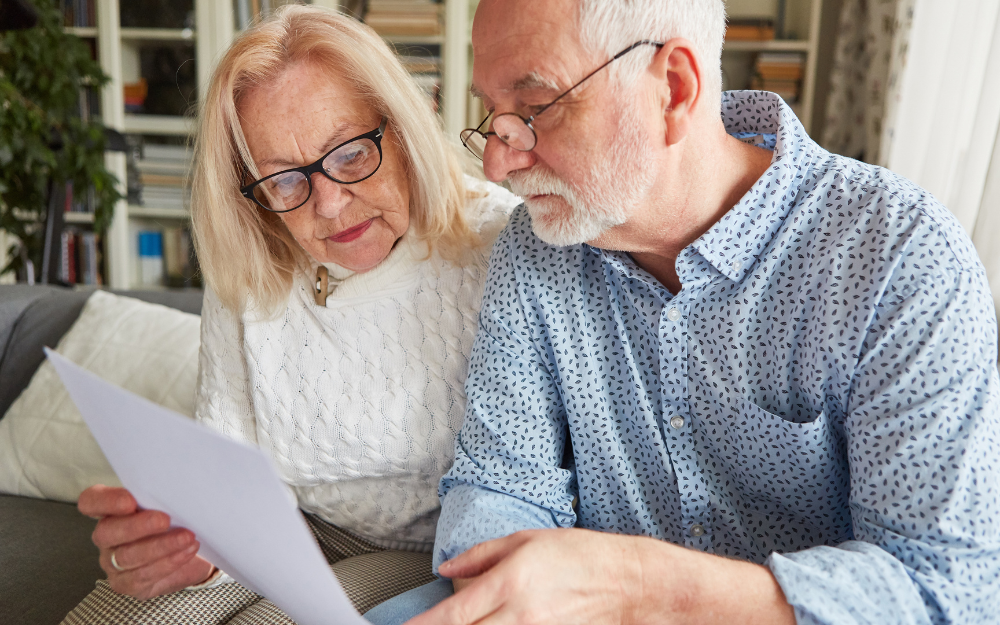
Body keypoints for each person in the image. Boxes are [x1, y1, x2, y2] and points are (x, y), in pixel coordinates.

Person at [364, 1, 1000, 624]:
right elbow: (500, 484)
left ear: (672, 89)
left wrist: (641, 587)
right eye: (495, 116)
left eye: (534, 109)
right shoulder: (536, 249)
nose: (500, 163)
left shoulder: (899, 257)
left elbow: (947, 591)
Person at [63, 5, 521, 624]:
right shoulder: (253, 261)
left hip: (429, 551)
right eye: (282, 181)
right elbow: (228, 467)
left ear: (406, 126)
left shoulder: (502, 244)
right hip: (282, 527)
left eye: (353, 153)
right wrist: (189, 549)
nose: (329, 205)